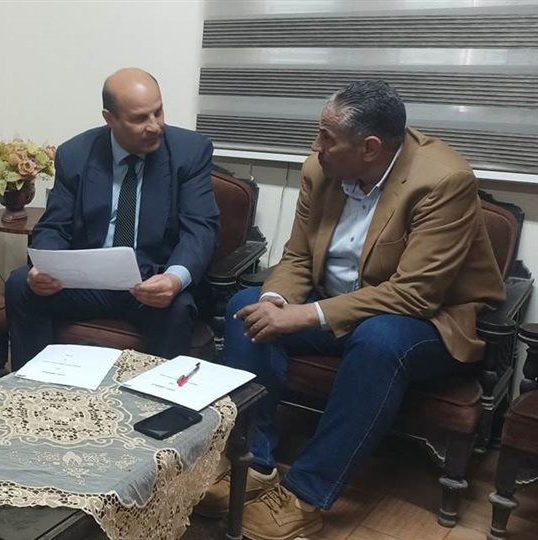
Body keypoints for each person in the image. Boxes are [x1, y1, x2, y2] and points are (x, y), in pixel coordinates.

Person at [209, 80, 505, 540]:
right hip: (339, 306)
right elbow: (298, 257)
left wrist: (305, 315)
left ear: (370, 148)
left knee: (378, 338)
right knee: (246, 308)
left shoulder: (443, 180)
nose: (316, 146)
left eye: (327, 138)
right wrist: (275, 302)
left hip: (428, 322)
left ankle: (306, 496)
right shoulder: (321, 169)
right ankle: (254, 462)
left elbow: (415, 294)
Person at [5, 68, 220, 369]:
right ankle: (30, 385)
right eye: (140, 118)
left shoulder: (189, 152)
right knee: (21, 284)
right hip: (88, 281)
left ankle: (158, 397)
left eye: (158, 112)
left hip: (151, 281)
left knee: (178, 306)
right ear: (110, 119)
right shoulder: (75, 154)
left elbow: (201, 229)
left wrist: (174, 278)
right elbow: (54, 226)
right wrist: (44, 268)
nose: (155, 126)